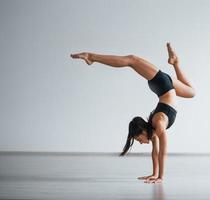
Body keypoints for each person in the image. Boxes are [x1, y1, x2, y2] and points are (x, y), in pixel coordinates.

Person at [70, 43, 195, 184]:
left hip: (164, 85)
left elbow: (162, 153)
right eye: (139, 140)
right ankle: (175, 62)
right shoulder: (154, 130)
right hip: (166, 86)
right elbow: (156, 152)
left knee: (132, 59)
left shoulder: (158, 123)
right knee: (192, 93)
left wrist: (160, 177)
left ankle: (92, 57)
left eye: (138, 139)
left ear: (143, 130)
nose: (141, 142)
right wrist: (155, 175)